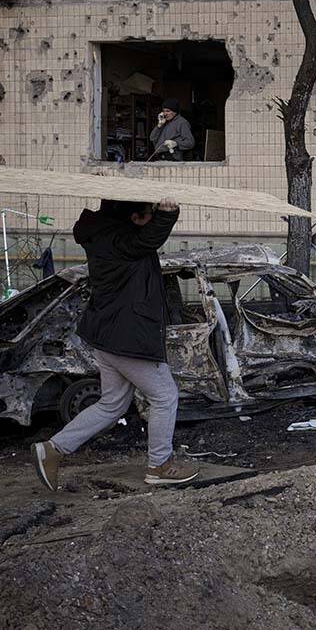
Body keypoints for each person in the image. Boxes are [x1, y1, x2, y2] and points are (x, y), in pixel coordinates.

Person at [32, 198, 199, 489]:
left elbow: (145, 240)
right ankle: (159, 465)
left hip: (108, 337)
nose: (150, 217)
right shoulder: (122, 241)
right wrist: (167, 214)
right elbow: (149, 240)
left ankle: (52, 449)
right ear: (134, 217)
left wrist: (153, 215)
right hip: (128, 339)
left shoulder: (103, 233)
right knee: (165, 396)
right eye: (147, 213)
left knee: (112, 404)